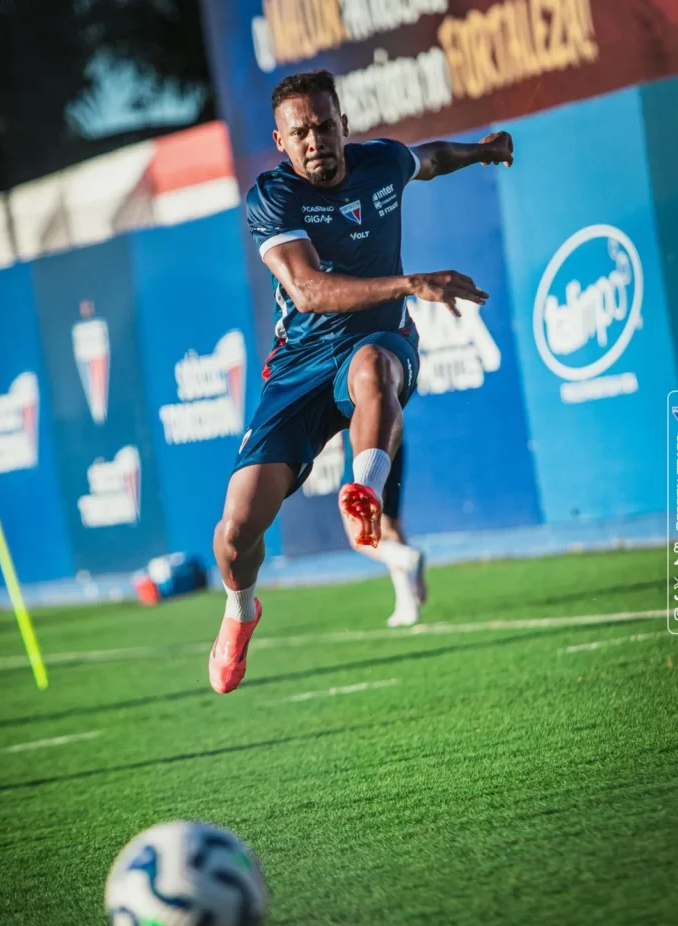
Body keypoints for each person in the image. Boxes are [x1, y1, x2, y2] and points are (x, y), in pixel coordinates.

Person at [209, 68, 513, 693]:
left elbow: (428, 158)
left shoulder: (379, 162)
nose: (316, 140)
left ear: (343, 125)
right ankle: (241, 610)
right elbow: (309, 289)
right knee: (237, 533)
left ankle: (364, 495)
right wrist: (409, 282)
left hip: (379, 342)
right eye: (301, 133)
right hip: (298, 370)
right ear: (281, 141)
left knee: (374, 366)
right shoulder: (273, 197)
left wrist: (481, 152)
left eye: (325, 126)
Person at [341, 439, 427, 628]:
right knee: (390, 525)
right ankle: (407, 604)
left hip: (361, 450)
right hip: (393, 442)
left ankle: (406, 557)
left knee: (360, 535)